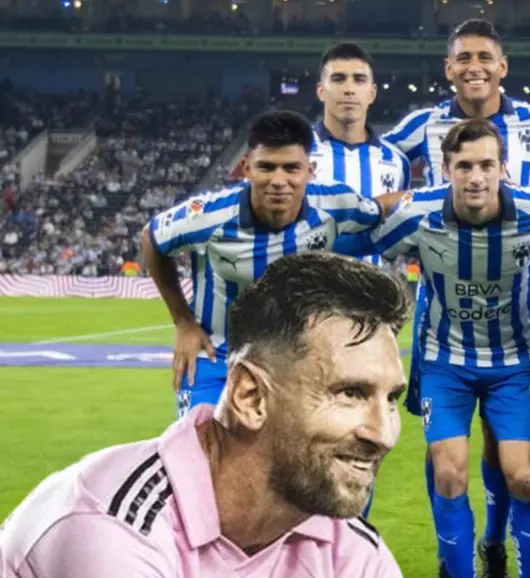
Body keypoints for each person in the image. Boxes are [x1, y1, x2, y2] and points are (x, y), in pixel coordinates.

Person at [0, 252, 412, 578]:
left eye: (391, 398)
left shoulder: (358, 558)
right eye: (350, 394)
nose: (382, 434)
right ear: (250, 397)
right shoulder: (113, 534)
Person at [382, 21, 530, 578]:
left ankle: (496, 551)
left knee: (520, 472)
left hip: (514, 350)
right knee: (448, 466)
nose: (474, 66)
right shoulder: (421, 141)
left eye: (485, 57)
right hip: (440, 345)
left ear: (503, 65)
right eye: (462, 58)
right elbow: (367, 218)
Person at [368, 118, 530, 578]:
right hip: (443, 360)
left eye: (486, 165)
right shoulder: (419, 213)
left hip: (514, 362)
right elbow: (372, 249)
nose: (476, 177)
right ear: (446, 170)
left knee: (521, 475)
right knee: (449, 472)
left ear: (504, 169)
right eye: (465, 166)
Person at [141, 110, 401, 418]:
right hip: (217, 357)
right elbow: (152, 239)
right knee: (202, 454)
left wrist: (441, 197)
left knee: (296, 459)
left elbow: (381, 208)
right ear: (246, 168)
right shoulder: (208, 217)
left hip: (292, 360)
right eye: (267, 167)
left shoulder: (335, 203)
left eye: (292, 168)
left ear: (310, 170)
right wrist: (183, 322)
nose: (279, 181)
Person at [312, 42, 411, 266]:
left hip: (377, 297)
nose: (349, 89)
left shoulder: (395, 161)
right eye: (338, 79)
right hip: (309, 295)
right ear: (321, 91)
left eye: (359, 80)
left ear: (372, 93)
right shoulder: (297, 154)